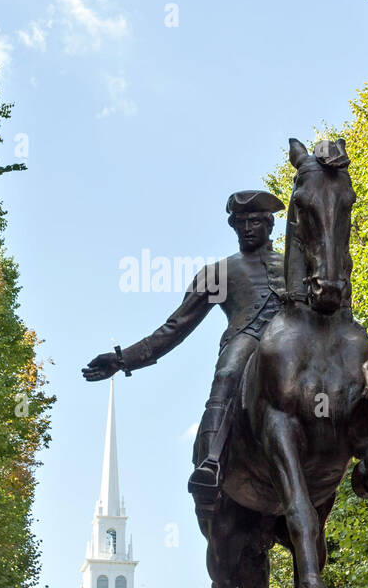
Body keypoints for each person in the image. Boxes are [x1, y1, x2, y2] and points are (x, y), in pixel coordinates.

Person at [83, 190, 285, 510]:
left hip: (292, 344)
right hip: (246, 340)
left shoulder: (297, 265)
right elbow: (175, 327)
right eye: (240, 223)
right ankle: (211, 463)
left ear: (270, 225)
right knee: (228, 374)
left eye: (255, 221)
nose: (247, 228)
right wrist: (123, 359)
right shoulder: (217, 273)